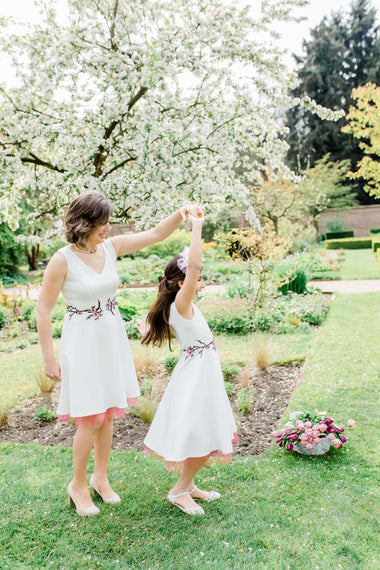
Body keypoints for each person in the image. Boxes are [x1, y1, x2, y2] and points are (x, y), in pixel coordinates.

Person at [36, 190, 193, 516]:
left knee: (107, 412)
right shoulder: (62, 260)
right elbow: (43, 310)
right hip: (81, 344)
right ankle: (77, 485)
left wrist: (182, 213)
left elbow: (155, 234)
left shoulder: (111, 248)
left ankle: (100, 479)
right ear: (84, 223)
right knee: (91, 417)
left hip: (110, 339)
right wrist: (49, 358)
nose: (108, 228)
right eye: (102, 223)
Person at [141, 208, 238, 516]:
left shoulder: (182, 304)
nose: (201, 281)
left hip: (201, 374)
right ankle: (180, 490)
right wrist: (197, 227)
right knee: (203, 434)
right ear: (182, 282)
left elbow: (193, 269)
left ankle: (189, 484)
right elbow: (194, 265)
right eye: (197, 278)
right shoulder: (181, 304)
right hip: (196, 378)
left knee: (206, 433)